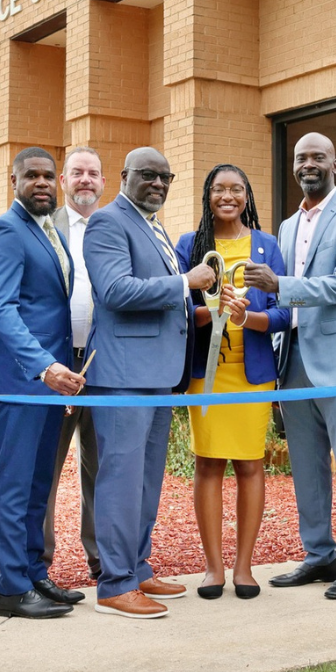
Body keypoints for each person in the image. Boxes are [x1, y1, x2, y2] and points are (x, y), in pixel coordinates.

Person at [82, 148, 216, 619]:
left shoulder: (153, 225)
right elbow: (116, 290)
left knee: (145, 480)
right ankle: (114, 585)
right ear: (124, 176)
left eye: (166, 177)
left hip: (158, 377)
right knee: (121, 480)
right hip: (122, 377)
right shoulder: (107, 223)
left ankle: (137, 567)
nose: (158, 183)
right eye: (148, 175)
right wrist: (186, 282)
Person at [245, 132, 336, 599]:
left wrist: (282, 285)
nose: (308, 164)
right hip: (293, 358)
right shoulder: (285, 225)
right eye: (301, 158)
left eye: (318, 157)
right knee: (306, 466)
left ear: (334, 165)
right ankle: (319, 555)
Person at [0, 147, 85, 621]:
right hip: (22, 381)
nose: (41, 183)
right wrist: (44, 367)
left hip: (51, 381)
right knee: (14, 484)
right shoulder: (5, 230)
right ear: (13, 179)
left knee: (40, 483)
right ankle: (11, 588)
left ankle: (34, 573)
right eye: (31, 176)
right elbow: (1, 311)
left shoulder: (50, 231)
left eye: (48, 176)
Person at [175, 164, 290, 600]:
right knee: (207, 463)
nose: (228, 196)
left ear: (247, 196)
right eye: (219, 189)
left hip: (252, 373)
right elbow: (179, 309)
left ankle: (244, 567)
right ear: (207, 195)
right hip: (207, 376)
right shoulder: (190, 245)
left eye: (236, 189)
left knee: (249, 463)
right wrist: (213, 312)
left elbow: (284, 309)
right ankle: (213, 569)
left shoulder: (267, 245)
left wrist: (249, 317)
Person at [43, 147, 106, 583]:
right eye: (77, 173)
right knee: (43, 469)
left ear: (104, 183)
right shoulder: (43, 227)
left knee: (102, 470)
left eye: (93, 174)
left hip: (105, 367)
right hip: (54, 366)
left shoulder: (116, 227)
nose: (86, 180)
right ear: (64, 180)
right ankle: (38, 564)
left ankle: (104, 560)